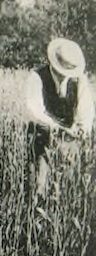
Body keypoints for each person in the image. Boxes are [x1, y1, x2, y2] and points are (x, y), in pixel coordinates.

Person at [25, 38, 94, 207]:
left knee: (65, 188)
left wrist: (81, 129)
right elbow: (35, 111)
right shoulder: (37, 77)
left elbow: (86, 113)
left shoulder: (80, 81)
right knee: (39, 187)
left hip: (69, 142)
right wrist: (59, 129)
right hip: (42, 138)